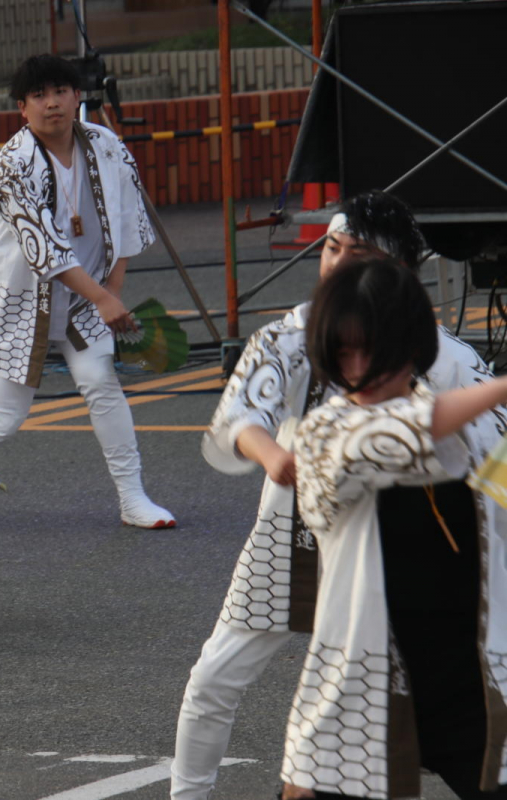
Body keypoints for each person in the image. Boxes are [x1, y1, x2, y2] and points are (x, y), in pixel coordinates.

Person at [172, 191, 503, 799]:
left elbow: (498, 471)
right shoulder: (298, 346)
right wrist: (274, 456)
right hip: (295, 537)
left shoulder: (456, 366)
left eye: (358, 252)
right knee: (218, 674)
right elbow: (247, 411)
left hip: (436, 603)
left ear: (400, 272)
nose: (338, 262)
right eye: (331, 247)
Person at [0, 54, 174, 531]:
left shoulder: (107, 145)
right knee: (3, 418)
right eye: (39, 95)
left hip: (90, 293)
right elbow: (45, 251)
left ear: (77, 97)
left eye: (61, 92)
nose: (52, 103)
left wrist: (114, 288)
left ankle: (133, 498)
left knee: (101, 385)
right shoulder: (9, 167)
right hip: (22, 303)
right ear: (21, 108)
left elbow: (130, 217)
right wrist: (105, 299)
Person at [280, 256, 507, 799]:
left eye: (374, 351)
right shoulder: (323, 433)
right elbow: (396, 434)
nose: (359, 370)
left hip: (472, 682)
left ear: (412, 344)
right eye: (343, 353)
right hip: (363, 687)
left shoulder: (475, 431)